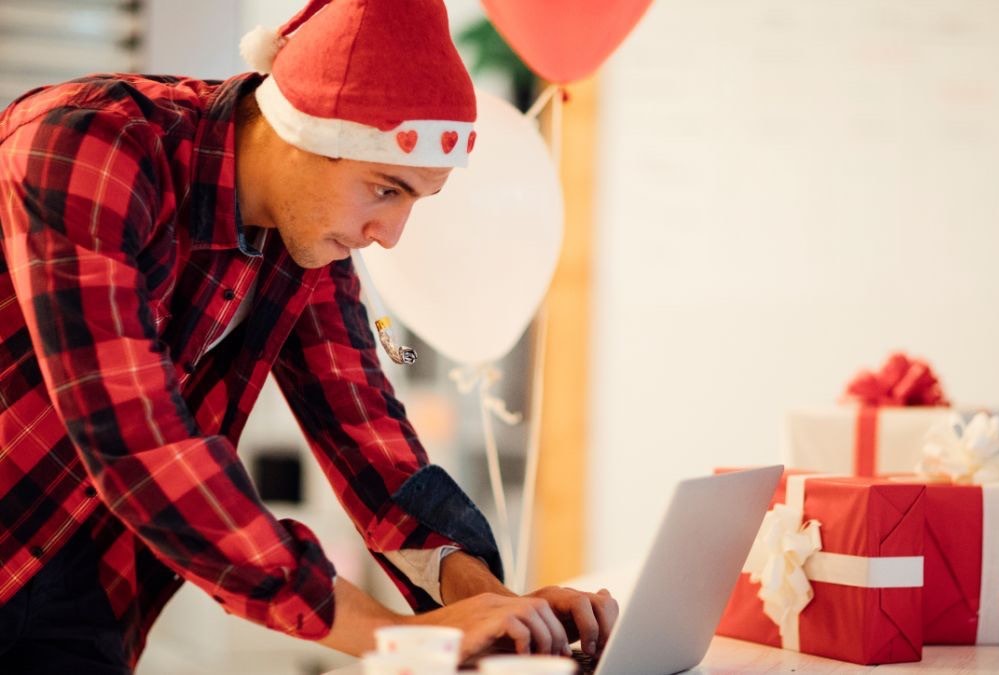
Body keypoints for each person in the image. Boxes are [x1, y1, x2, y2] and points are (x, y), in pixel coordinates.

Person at [0, 0, 616, 672]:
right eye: (385, 189)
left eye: (414, 201)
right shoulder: (83, 143)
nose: (391, 234)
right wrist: (395, 637)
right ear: (307, 132)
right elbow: (135, 439)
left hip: (92, 580)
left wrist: (501, 612)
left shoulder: (305, 236)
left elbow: (372, 445)